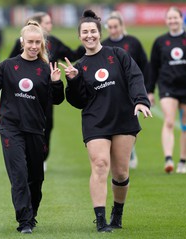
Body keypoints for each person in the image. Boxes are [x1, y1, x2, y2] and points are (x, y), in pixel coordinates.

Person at [59, 10, 152, 233]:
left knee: (120, 172)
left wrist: (141, 100)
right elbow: (78, 101)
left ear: (99, 33)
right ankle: (100, 220)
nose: (89, 35)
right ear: (79, 36)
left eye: (93, 31)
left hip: (123, 118)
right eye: (85, 32)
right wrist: (72, 80)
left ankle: (117, 214)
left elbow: (135, 77)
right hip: (96, 122)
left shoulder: (117, 54)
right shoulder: (79, 66)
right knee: (100, 165)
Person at [0, 21, 64, 234]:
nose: (33, 46)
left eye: (38, 42)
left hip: (36, 130)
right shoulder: (8, 65)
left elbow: (57, 100)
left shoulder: (46, 69)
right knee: (19, 175)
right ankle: (24, 221)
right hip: (11, 129)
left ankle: (32, 213)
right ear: (22, 42)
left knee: (36, 179)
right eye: (30, 42)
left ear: (42, 44)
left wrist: (56, 82)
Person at [0, 11, 85, 171]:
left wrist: (86, 43)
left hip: (46, 91)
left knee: (47, 126)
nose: (50, 25)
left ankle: (41, 157)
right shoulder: (17, 52)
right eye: (47, 23)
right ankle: (26, 159)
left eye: (50, 23)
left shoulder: (54, 42)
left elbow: (73, 55)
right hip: (21, 96)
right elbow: (9, 70)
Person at [147, 6, 186, 174]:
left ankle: (183, 161)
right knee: (168, 121)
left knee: (185, 125)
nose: (173, 21)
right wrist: (150, 90)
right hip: (167, 87)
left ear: (182, 19)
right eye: (170, 18)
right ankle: (168, 158)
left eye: (176, 18)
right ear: (166, 21)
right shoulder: (160, 42)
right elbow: (153, 67)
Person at [102, 11, 150, 169]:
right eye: (110, 27)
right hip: (111, 90)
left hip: (130, 89)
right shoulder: (104, 45)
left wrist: (147, 91)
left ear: (122, 26)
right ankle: (114, 153)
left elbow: (144, 65)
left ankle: (130, 149)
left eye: (116, 26)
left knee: (129, 121)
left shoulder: (133, 42)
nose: (113, 30)